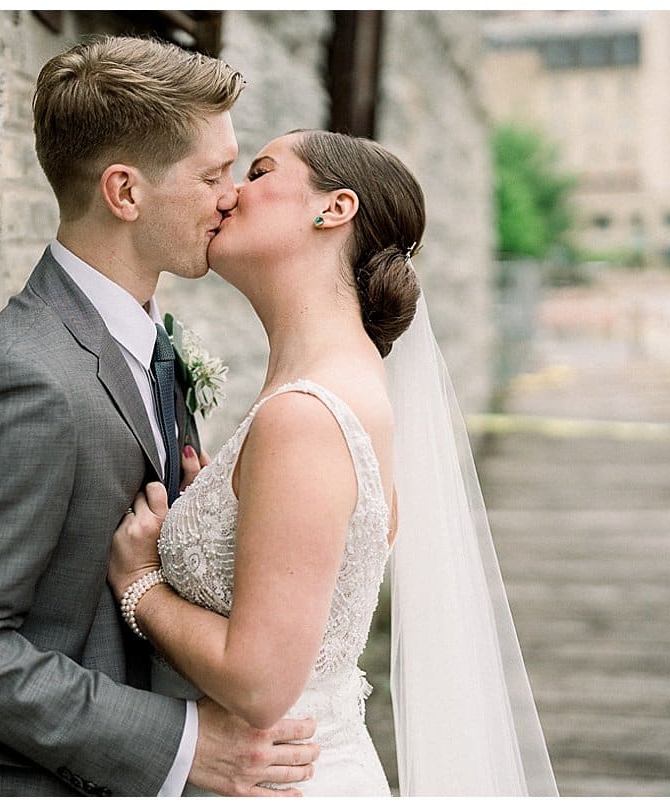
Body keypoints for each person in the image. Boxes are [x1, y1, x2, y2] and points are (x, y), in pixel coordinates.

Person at [0, 36, 321, 797]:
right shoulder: (29, 380)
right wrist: (182, 744)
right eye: (214, 174)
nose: (233, 195)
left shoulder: (146, 340)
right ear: (125, 193)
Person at [107, 130, 560, 795]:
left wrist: (139, 583)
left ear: (334, 208)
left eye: (259, 172)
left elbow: (260, 681)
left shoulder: (307, 413)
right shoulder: (335, 384)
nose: (231, 192)